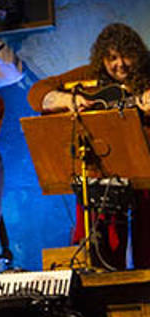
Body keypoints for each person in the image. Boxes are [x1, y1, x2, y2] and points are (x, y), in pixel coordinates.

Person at [40, 22, 150, 269]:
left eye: (127, 56)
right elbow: (37, 92)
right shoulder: (89, 76)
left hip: (147, 171)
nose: (119, 64)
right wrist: (68, 99)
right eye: (112, 58)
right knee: (102, 241)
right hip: (108, 170)